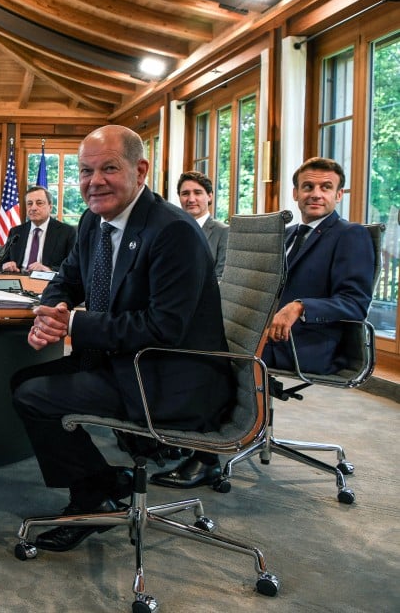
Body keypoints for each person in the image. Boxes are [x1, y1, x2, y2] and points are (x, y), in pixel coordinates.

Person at [10, 124, 234, 553]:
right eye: (85, 171)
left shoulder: (172, 231)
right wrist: (51, 312)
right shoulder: (93, 221)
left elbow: (162, 328)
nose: (94, 182)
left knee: (36, 396)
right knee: (23, 381)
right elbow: (66, 279)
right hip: (122, 360)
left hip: (169, 375)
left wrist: (72, 325)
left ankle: (91, 498)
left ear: (140, 170)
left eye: (108, 168)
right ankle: (102, 482)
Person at [153, 157, 376, 489]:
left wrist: (300, 307)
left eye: (325, 187)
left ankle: (207, 457)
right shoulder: (288, 234)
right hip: (270, 333)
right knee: (189, 339)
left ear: (338, 194)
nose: (316, 194)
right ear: (295, 193)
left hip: (311, 342)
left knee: (218, 356)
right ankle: (180, 432)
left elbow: (355, 303)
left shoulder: (350, 235)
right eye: (308, 187)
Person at [0, 185, 76, 273]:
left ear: (50, 207)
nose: (33, 208)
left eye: (39, 203)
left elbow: (72, 267)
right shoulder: (16, 232)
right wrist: (5, 265)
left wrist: (48, 270)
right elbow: (2, 263)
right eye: (29, 203)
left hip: (47, 279)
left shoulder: (66, 232)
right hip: (18, 277)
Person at [177, 171, 229, 280]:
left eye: (197, 193)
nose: (191, 199)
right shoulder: (172, 231)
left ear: (210, 196)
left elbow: (222, 278)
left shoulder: (224, 232)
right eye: (185, 193)